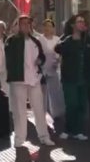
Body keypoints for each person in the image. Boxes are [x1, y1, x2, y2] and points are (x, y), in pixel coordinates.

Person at [5, 15, 55, 147]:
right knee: (19, 111)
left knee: (39, 109)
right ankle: (19, 139)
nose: (26, 26)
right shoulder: (12, 40)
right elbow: (8, 54)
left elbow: (42, 57)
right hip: (18, 80)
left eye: (28, 23)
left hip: (34, 79)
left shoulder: (35, 41)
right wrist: (15, 34)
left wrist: (40, 61)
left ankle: (44, 136)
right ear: (18, 25)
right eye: (23, 24)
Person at [56, 15, 90, 141]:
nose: (82, 24)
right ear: (72, 25)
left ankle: (78, 130)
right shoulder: (67, 41)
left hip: (84, 78)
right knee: (72, 104)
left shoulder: (89, 41)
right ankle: (68, 129)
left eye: (83, 21)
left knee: (82, 105)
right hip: (70, 78)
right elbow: (58, 49)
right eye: (79, 21)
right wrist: (72, 39)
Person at [40, 19, 64, 119]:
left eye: (49, 26)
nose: (47, 28)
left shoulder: (57, 39)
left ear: (53, 28)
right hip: (42, 68)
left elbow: (61, 53)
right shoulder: (39, 39)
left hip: (54, 68)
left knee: (55, 91)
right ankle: (42, 113)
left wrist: (58, 61)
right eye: (45, 26)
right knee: (42, 92)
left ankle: (56, 113)